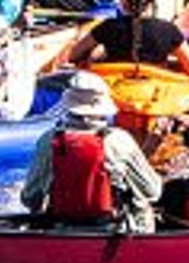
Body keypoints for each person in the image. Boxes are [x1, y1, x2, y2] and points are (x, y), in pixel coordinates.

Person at [20, 74, 158, 232]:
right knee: (144, 205)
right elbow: (152, 191)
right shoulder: (120, 140)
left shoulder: (49, 140)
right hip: (112, 230)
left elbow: (30, 199)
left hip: (62, 230)